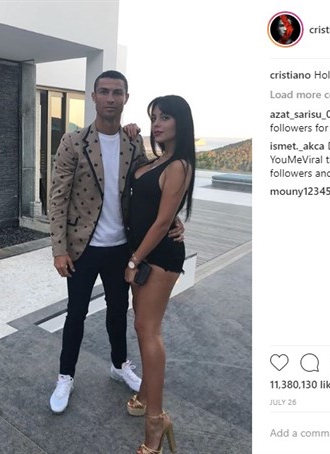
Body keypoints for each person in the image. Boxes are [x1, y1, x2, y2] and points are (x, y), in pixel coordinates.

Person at [47, 70, 183, 414]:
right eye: (104, 92)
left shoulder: (132, 142)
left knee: (118, 312)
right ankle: (65, 376)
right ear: (94, 97)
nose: (110, 98)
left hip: (122, 247)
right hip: (82, 247)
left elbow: (150, 186)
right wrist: (59, 249)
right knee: (76, 313)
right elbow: (58, 197)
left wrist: (173, 218)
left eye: (117, 92)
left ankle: (119, 364)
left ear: (126, 98)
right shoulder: (73, 141)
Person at [124, 95, 195, 454]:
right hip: (143, 254)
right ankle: (144, 391)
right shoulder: (157, 161)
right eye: (154, 117)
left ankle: (156, 420)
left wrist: (134, 260)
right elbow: (148, 204)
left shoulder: (179, 165)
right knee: (142, 327)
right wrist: (132, 135)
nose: (157, 124)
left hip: (158, 256)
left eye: (165, 117)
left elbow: (163, 222)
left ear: (181, 122)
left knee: (148, 329)